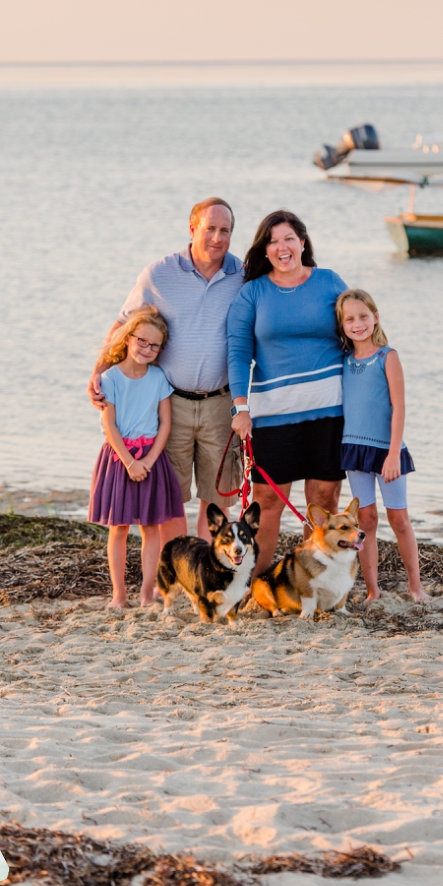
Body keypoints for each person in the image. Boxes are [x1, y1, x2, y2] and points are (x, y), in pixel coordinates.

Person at [88, 199, 243, 543]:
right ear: (192, 230)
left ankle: (208, 570)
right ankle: (178, 568)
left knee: (217, 497)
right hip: (171, 402)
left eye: (225, 231)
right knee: (170, 498)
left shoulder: (243, 276)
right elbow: (124, 322)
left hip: (222, 402)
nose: (217, 238)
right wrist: (99, 370)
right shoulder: (159, 274)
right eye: (210, 229)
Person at [227, 210, 348, 574]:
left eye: (289, 239)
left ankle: (316, 579)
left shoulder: (329, 282)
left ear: (303, 243)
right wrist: (240, 408)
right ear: (265, 250)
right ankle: (255, 581)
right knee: (266, 501)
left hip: (330, 412)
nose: (282, 247)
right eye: (273, 240)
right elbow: (237, 352)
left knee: (323, 500)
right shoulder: (253, 293)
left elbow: (359, 334)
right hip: (272, 415)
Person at [335, 288, 429, 604]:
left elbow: (399, 407)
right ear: (342, 325)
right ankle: (373, 590)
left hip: (388, 451)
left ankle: (416, 588)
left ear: (375, 317)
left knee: (399, 519)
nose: (358, 323)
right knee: (366, 522)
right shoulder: (344, 361)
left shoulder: (387, 357)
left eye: (363, 316)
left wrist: (392, 454)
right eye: (350, 319)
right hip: (354, 449)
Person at [88, 306, 185, 608]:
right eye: (142, 341)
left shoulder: (158, 378)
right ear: (128, 338)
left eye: (154, 345)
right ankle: (119, 595)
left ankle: (146, 593)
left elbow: (165, 422)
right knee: (118, 529)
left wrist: (149, 460)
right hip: (119, 458)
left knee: (151, 527)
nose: (147, 348)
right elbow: (109, 423)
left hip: (152, 459)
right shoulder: (110, 378)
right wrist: (130, 462)